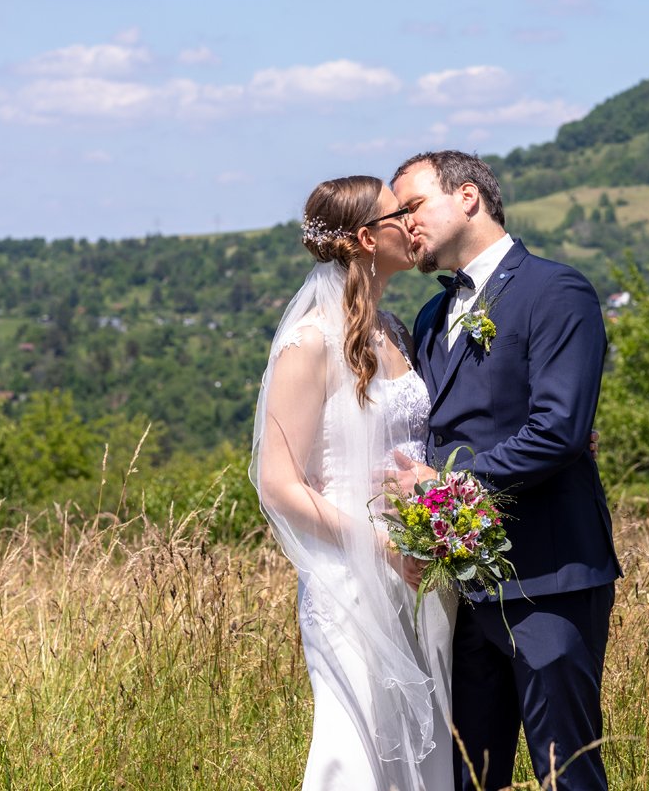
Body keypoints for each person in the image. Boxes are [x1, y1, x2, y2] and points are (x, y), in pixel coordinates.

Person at [390, 150, 622, 791]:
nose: (404, 224)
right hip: (461, 588)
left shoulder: (557, 290)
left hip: (548, 578)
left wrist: (442, 490)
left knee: (564, 772)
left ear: (468, 197)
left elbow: (559, 430)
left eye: (412, 206)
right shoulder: (432, 317)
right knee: (469, 776)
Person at [250, 175, 455, 791]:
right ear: (367, 238)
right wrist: (379, 545)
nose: (414, 224)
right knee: (356, 747)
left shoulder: (395, 329)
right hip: (350, 578)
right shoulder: (309, 344)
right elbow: (278, 483)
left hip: (418, 575)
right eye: (401, 214)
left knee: (424, 752)